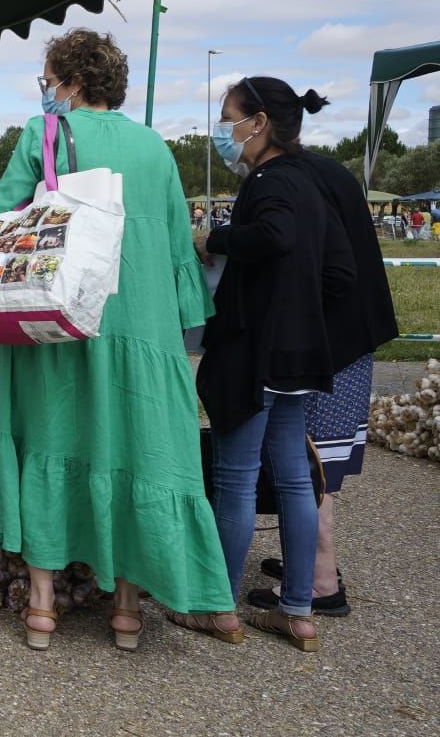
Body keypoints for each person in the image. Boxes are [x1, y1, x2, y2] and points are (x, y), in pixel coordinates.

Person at [0, 28, 232, 652]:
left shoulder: (42, 137)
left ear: (66, 81)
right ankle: (125, 611)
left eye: (50, 78)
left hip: (56, 328)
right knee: (134, 449)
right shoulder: (154, 149)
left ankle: (42, 607)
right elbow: (180, 251)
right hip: (139, 331)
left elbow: (2, 223)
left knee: (48, 437)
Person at [183, 77, 354, 653]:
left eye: (228, 117)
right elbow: (339, 274)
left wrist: (218, 240)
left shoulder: (271, 181)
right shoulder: (312, 180)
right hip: (301, 353)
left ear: (257, 122)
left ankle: (219, 604)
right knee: (293, 480)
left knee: (235, 478)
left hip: (256, 351)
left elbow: (274, 235)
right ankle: (298, 610)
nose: (223, 130)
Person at [246, 146, 398, 616]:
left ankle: (320, 581)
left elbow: (322, 267)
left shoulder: (289, 181)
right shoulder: (329, 171)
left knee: (310, 464)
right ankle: (308, 560)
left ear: (262, 123)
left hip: (325, 345)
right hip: (355, 335)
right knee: (323, 460)